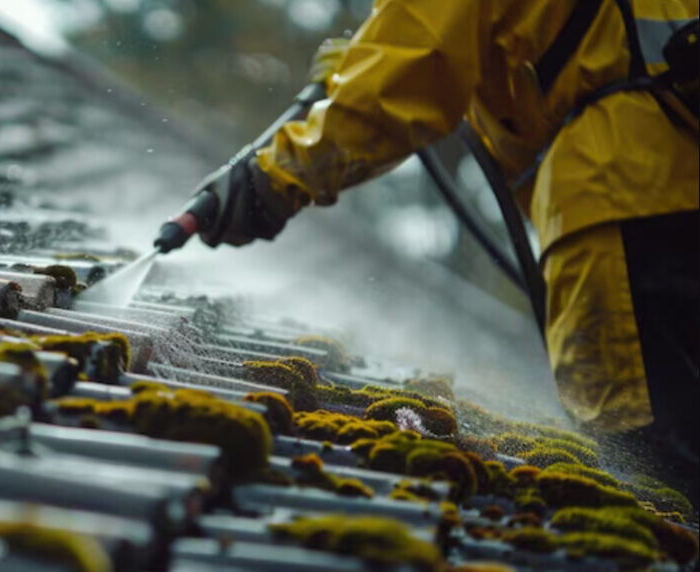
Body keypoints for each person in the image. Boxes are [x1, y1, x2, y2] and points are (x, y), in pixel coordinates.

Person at [207, 0, 699, 503]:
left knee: (652, 468)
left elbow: (417, 60)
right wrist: (360, 65)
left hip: (620, 197)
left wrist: (272, 180)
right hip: (667, 181)